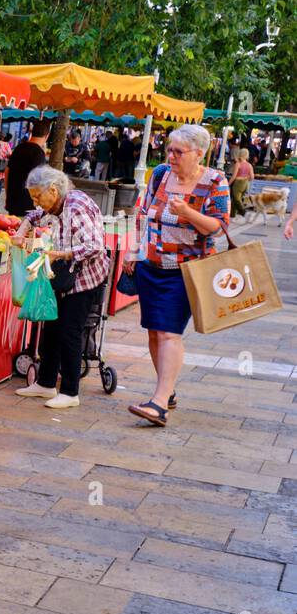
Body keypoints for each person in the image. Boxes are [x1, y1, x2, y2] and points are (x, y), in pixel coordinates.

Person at [122, 124, 228, 426]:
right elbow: (143, 213)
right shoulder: (159, 175)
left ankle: (158, 404)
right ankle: (166, 391)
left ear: (198, 153)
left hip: (186, 270)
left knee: (170, 332)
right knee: (155, 331)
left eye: (178, 151)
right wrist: (134, 250)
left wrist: (187, 212)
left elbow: (217, 226)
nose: (171, 155)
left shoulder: (214, 182)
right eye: (169, 149)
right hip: (150, 265)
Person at [12, 166, 109, 409]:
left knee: (69, 331)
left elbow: (95, 246)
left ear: (53, 190)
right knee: (52, 327)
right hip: (63, 275)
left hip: (85, 278)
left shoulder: (77, 207)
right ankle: (45, 383)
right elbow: (34, 215)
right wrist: (22, 229)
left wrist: (61, 254)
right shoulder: (55, 203)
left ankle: (70, 391)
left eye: (37, 196)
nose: (36, 202)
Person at [5, 118, 51, 216]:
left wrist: (7, 195)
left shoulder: (18, 148)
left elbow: (7, 171)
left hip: (12, 200)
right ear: (47, 136)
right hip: (28, 204)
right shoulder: (39, 153)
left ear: (32, 132)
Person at [229, 150, 254, 216]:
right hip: (245, 184)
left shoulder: (238, 164)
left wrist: (228, 184)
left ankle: (244, 213)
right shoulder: (249, 165)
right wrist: (246, 178)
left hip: (238, 183)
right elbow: (252, 177)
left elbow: (234, 176)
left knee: (236, 199)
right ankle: (232, 214)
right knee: (236, 199)